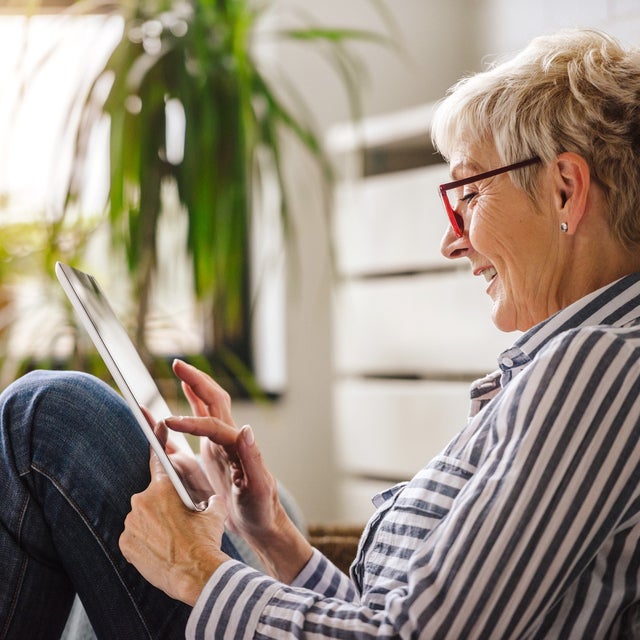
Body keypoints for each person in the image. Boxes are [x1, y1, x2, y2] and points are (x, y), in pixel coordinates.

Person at [3, 26, 640, 639]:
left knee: (49, 413)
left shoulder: (599, 366)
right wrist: (271, 530)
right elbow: (398, 615)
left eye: (467, 193)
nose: (451, 239)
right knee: (264, 507)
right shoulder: (573, 364)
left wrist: (194, 569)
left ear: (564, 190)